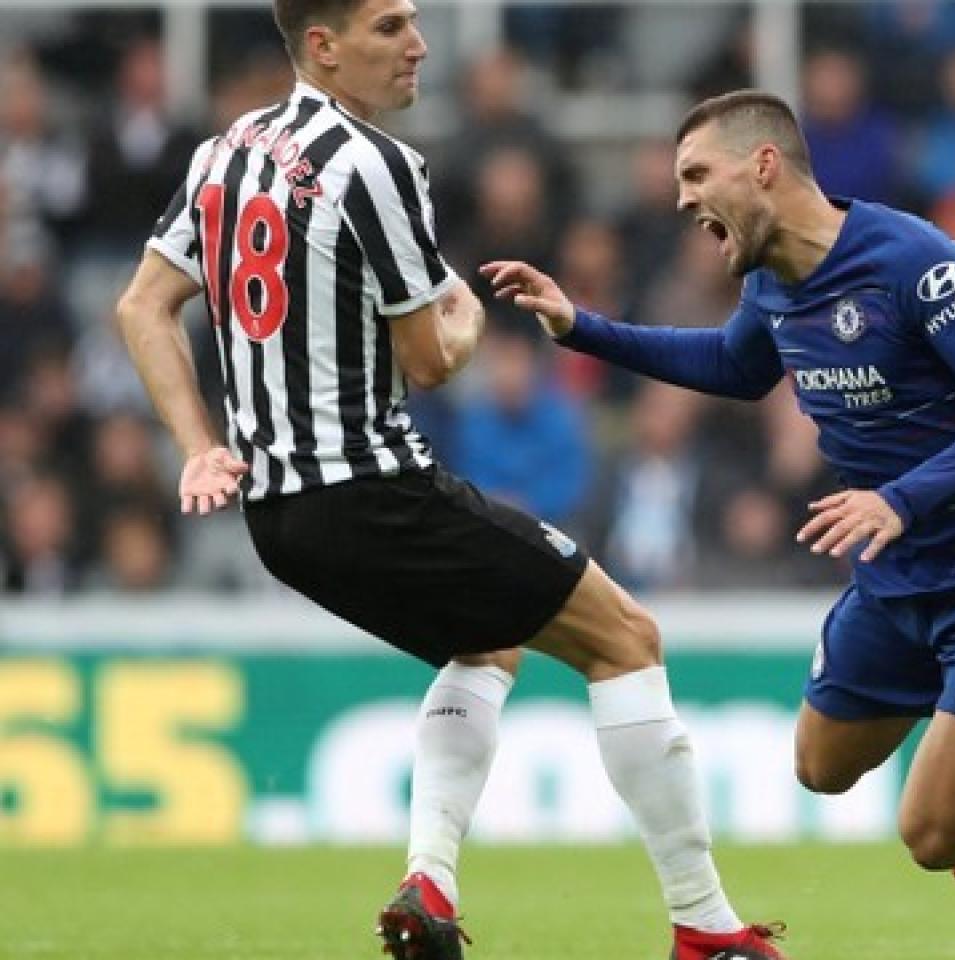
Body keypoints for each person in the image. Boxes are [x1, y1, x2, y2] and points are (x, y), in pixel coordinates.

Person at [112, 4, 786, 959]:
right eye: (390, 27)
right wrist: (466, 314)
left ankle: (429, 883)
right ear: (322, 45)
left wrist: (196, 443)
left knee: (490, 646)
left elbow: (142, 305)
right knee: (626, 638)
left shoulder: (225, 151)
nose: (419, 44)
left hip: (279, 519)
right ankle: (705, 926)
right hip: (375, 490)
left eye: (416, 22)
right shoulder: (377, 164)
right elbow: (431, 360)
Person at [484, 90, 955, 887]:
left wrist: (898, 500)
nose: (682, 198)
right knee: (820, 767)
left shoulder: (920, 266)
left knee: (931, 838)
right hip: (900, 572)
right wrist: (583, 326)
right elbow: (736, 368)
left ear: (764, 166)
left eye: (698, 173)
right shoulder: (774, 285)